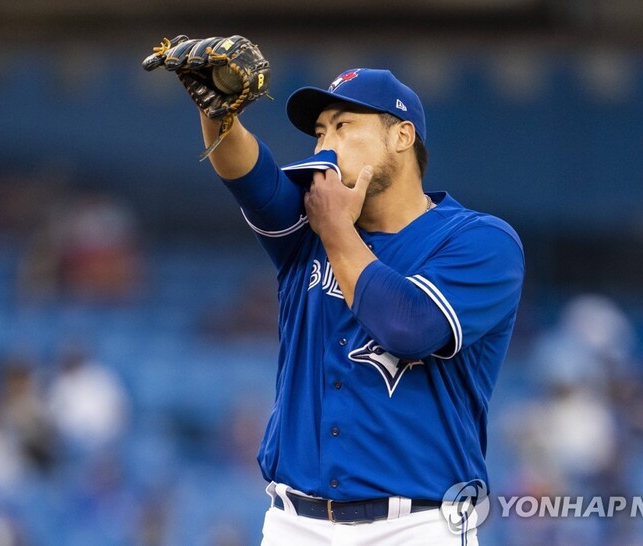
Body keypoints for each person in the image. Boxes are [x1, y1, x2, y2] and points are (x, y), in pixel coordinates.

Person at [144, 36, 524, 545]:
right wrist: (219, 116)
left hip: (417, 524)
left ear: (402, 136)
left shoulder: (480, 240)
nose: (325, 144)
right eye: (320, 131)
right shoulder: (311, 218)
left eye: (344, 126)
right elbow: (249, 176)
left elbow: (410, 327)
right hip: (295, 522)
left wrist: (336, 229)